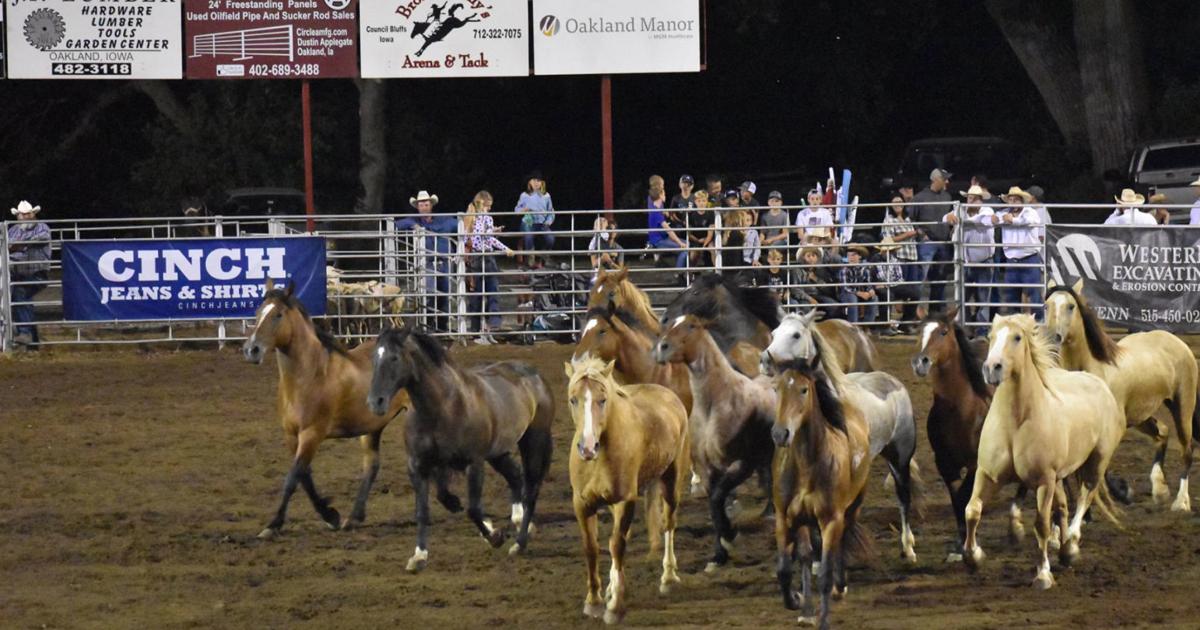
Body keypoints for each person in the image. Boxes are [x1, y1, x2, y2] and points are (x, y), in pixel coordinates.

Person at [397, 190, 457, 332]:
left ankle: (442, 327)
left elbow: (461, 225)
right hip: (427, 263)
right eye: (421, 205)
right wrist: (413, 225)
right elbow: (397, 224)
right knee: (429, 293)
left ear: (431, 205)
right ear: (417, 207)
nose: (424, 207)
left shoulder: (444, 220)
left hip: (445, 262)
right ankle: (428, 326)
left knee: (445, 295)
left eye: (426, 204)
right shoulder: (415, 220)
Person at [465, 191, 513, 344]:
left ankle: (477, 330)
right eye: (488, 206)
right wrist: (505, 248)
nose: (490, 209)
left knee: (478, 295)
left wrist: (492, 231)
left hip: (475, 258)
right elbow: (487, 238)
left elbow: (471, 238)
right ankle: (491, 326)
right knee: (492, 292)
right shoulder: (486, 218)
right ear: (483, 204)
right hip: (485, 257)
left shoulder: (469, 219)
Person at [944, 185, 996, 323]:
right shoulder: (960, 210)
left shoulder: (987, 210)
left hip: (983, 262)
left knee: (983, 299)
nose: (971, 201)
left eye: (975, 199)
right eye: (969, 198)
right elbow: (945, 218)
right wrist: (949, 216)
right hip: (964, 262)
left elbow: (981, 219)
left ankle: (981, 329)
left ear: (980, 200)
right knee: (962, 297)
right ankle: (964, 326)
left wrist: (961, 221)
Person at [8, 201, 52, 348]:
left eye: (28, 214)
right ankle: (32, 343)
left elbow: (43, 238)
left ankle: (25, 333)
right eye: (22, 214)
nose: (25, 217)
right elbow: (7, 247)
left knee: (20, 294)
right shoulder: (13, 230)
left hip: (37, 273)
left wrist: (19, 244)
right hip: (17, 274)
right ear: (18, 216)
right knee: (22, 301)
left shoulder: (42, 227)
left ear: (33, 214)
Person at [995, 187, 1045, 316]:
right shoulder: (1003, 213)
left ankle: (1039, 322)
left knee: (1035, 295)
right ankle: (1015, 322)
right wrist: (1000, 218)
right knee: (1011, 296)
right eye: (1010, 200)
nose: (1013, 202)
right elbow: (994, 219)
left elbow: (1028, 221)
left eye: (1016, 200)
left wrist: (1011, 220)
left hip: (1029, 258)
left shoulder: (1031, 212)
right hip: (1012, 260)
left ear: (1022, 201)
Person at [910, 168, 954, 313]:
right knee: (921, 279)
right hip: (927, 243)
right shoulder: (919, 198)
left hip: (943, 242)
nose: (947, 181)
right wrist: (921, 233)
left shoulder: (947, 196)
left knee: (940, 279)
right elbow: (911, 219)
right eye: (944, 179)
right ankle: (914, 312)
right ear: (936, 180)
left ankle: (936, 312)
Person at [871, 242, 919, 334]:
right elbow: (881, 276)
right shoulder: (876, 259)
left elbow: (899, 277)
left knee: (915, 293)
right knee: (887, 295)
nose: (889, 253)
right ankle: (884, 326)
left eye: (891, 251)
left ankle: (906, 324)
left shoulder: (894, 259)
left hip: (890, 285)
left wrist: (888, 284)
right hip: (877, 286)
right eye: (886, 251)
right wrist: (887, 284)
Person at [516, 171, 555, 269]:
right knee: (528, 236)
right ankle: (531, 261)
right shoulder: (524, 195)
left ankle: (543, 260)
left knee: (550, 239)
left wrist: (548, 222)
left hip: (542, 223)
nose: (536, 183)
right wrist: (523, 210)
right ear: (529, 182)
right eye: (534, 180)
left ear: (542, 183)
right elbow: (516, 210)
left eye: (538, 181)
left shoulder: (546, 196)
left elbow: (551, 212)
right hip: (528, 223)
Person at [646, 184, 687, 268]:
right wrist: (679, 243)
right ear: (660, 196)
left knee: (687, 243)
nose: (665, 196)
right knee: (685, 248)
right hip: (658, 241)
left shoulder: (657, 205)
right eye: (664, 194)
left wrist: (664, 212)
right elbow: (668, 230)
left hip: (662, 238)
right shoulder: (656, 212)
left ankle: (684, 268)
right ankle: (679, 272)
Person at [879, 195, 919, 282]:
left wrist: (917, 233)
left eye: (900, 202)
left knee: (913, 286)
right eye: (895, 202)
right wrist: (907, 234)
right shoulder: (889, 220)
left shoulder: (907, 219)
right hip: (899, 257)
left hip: (912, 255)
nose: (898, 204)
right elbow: (888, 239)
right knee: (901, 284)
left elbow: (913, 234)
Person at [795, 246, 842, 316]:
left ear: (817, 257)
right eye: (808, 256)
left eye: (813, 255)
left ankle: (826, 322)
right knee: (806, 307)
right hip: (804, 297)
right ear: (803, 258)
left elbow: (828, 290)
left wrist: (816, 279)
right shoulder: (798, 270)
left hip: (819, 296)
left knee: (835, 306)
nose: (811, 258)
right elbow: (795, 289)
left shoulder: (821, 270)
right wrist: (810, 299)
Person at [840, 244, 877, 325]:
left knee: (874, 298)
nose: (851, 258)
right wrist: (860, 293)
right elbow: (846, 287)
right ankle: (853, 325)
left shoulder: (865, 268)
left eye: (853, 255)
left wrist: (870, 290)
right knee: (852, 299)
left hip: (860, 292)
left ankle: (867, 324)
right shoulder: (845, 269)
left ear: (859, 256)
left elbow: (867, 282)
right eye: (849, 255)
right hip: (847, 293)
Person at [686, 189, 716, 268]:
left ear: (707, 202)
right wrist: (697, 241)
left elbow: (710, 233)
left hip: (707, 239)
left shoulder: (711, 213)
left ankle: (717, 271)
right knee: (693, 254)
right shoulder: (691, 214)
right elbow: (689, 233)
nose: (701, 203)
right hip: (694, 239)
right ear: (695, 202)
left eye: (703, 201)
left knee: (713, 249)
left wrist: (704, 245)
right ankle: (691, 272)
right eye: (699, 201)